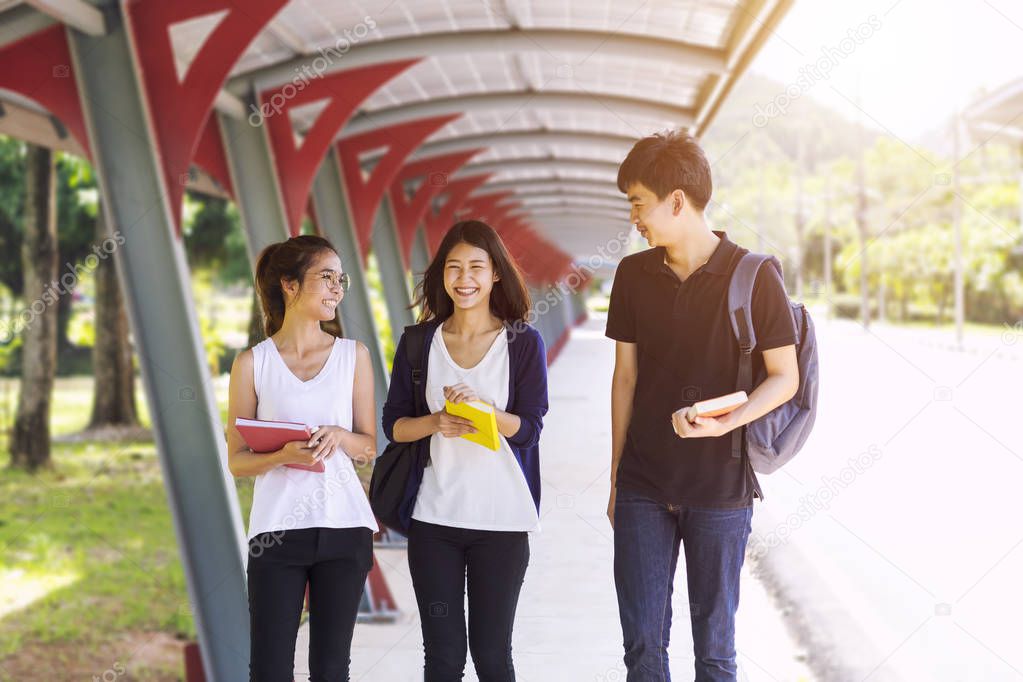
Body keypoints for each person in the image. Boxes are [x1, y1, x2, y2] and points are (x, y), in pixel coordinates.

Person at [606, 131, 800, 681]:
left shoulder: (756, 275)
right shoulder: (633, 276)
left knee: (715, 651)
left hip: (721, 491)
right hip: (644, 485)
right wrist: (617, 480)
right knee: (643, 647)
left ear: (675, 200)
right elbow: (625, 379)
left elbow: (784, 378)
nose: (634, 218)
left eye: (638, 203)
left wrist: (726, 424)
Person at [382, 219, 549, 681]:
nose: (464, 278)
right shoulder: (419, 343)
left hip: (503, 520)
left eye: (476, 266)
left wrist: (483, 411)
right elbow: (393, 426)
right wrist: (435, 422)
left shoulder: (522, 343)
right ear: (442, 276)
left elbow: (529, 430)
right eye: (453, 267)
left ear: (496, 273)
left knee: (493, 658)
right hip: (434, 519)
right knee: (443, 659)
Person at [226, 235, 379, 681]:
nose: (337, 288)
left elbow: (368, 446)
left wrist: (339, 436)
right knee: (269, 670)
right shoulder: (252, 364)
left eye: (340, 279)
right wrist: (282, 455)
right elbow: (237, 461)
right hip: (277, 533)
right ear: (289, 285)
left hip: (344, 528)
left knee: (331, 670)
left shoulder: (354, 356)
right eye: (326, 277)